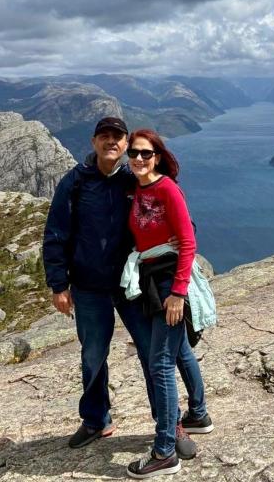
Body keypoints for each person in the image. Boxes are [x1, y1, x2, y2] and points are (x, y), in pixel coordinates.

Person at [41, 116, 202, 456]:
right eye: (104, 136)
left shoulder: (137, 178)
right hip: (88, 286)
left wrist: (177, 238)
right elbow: (55, 234)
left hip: (133, 286)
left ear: (126, 143)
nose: (110, 141)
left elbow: (174, 214)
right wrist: (58, 284)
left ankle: (170, 424)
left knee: (152, 355)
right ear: (93, 141)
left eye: (117, 136)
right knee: (93, 355)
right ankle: (96, 419)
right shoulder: (75, 182)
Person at [124, 129, 212, 480]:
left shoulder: (166, 189)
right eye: (134, 153)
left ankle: (163, 451)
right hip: (152, 278)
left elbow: (188, 242)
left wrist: (177, 294)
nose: (139, 159)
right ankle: (199, 413)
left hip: (169, 283)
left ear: (157, 156)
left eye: (146, 153)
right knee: (178, 353)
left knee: (159, 363)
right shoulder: (138, 189)